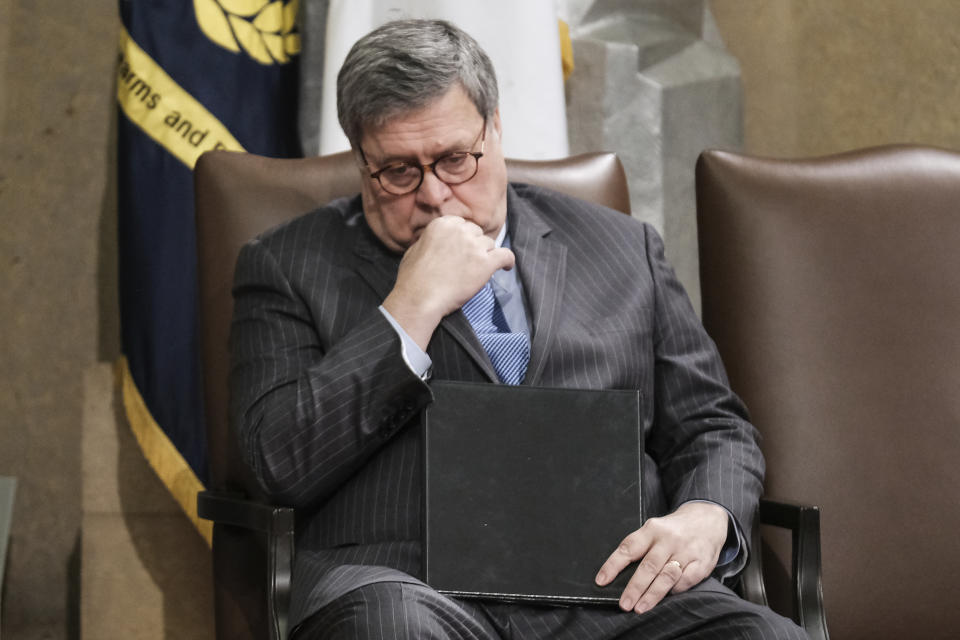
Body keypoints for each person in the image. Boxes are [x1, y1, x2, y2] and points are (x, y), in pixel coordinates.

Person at [229, 18, 805, 640]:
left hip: (613, 587)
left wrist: (707, 512)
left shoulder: (622, 248)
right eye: (398, 171)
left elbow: (711, 423)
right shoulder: (287, 265)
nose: (434, 196)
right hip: (406, 590)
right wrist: (410, 308)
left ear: (495, 128)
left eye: (455, 159)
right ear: (359, 159)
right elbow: (279, 461)